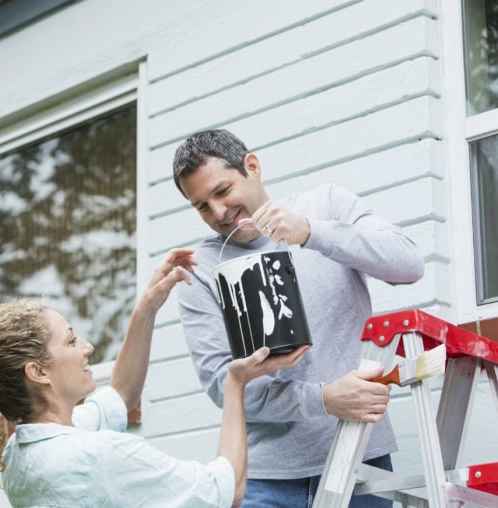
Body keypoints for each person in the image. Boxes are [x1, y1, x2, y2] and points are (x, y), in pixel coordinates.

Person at [0, 247, 309, 508]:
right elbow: (228, 491)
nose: (86, 347)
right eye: (70, 341)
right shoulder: (98, 456)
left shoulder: (24, 454)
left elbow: (121, 392)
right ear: (38, 372)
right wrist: (235, 385)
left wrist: (147, 307)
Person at [172, 129, 425, 508]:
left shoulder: (325, 205)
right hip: (264, 480)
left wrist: (311, 233)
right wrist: (323, 399)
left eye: (222, 191)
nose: (219, 213)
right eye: (202, 206)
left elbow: (408, 263)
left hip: (359, 459)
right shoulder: (200, 269)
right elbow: (221, 384)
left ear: (252, 167)